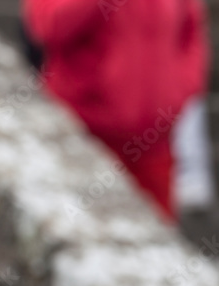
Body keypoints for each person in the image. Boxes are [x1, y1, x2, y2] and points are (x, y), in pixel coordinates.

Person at [22, 0, 209, 223]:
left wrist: (178, 94)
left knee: (153, 249)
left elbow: (191, 35)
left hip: (154, 146)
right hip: (85, 140)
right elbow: (50, 26)